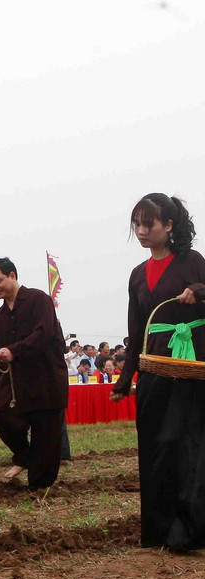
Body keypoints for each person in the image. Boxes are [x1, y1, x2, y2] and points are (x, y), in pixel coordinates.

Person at [110, 193, 205, 550]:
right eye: (137, 223)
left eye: (148, 223)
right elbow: (137, 332)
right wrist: (124, 379)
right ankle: (158, 529)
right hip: (153, 369)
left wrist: (199, 291)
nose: (141, 230)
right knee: (153, 445)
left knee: (184, 445)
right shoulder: (137, 275)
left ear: (169, 225)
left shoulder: (192, 262)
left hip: (189, 367)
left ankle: (188, 531)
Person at [0, 257, 68, 489]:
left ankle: (40, 489)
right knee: (1, 416)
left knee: (46, 438)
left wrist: (14, 351)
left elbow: (43, 334)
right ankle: (24, 456)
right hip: (17, 387)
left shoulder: (39, 299)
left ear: (13, 275)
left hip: (47, 382)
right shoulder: (0, 317)